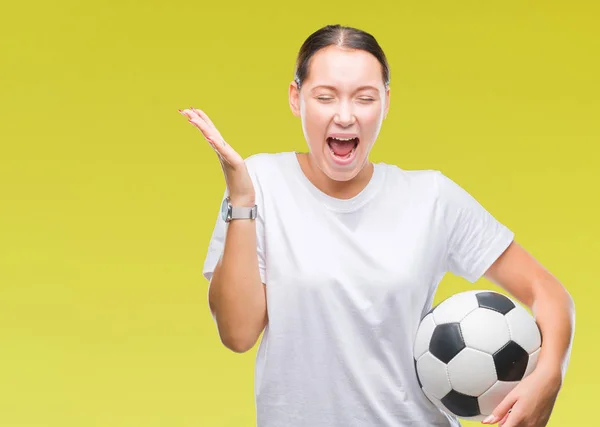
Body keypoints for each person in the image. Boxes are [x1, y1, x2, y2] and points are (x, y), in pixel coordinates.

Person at [180, 24, 575, 427]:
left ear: (386, 102)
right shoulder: (259, 183)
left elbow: (550, 294)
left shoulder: (431, 197)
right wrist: (243, 202)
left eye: (364, 98)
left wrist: (548, 376)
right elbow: (238, 334)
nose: (345, 115)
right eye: (325, 96)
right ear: (297, 99)